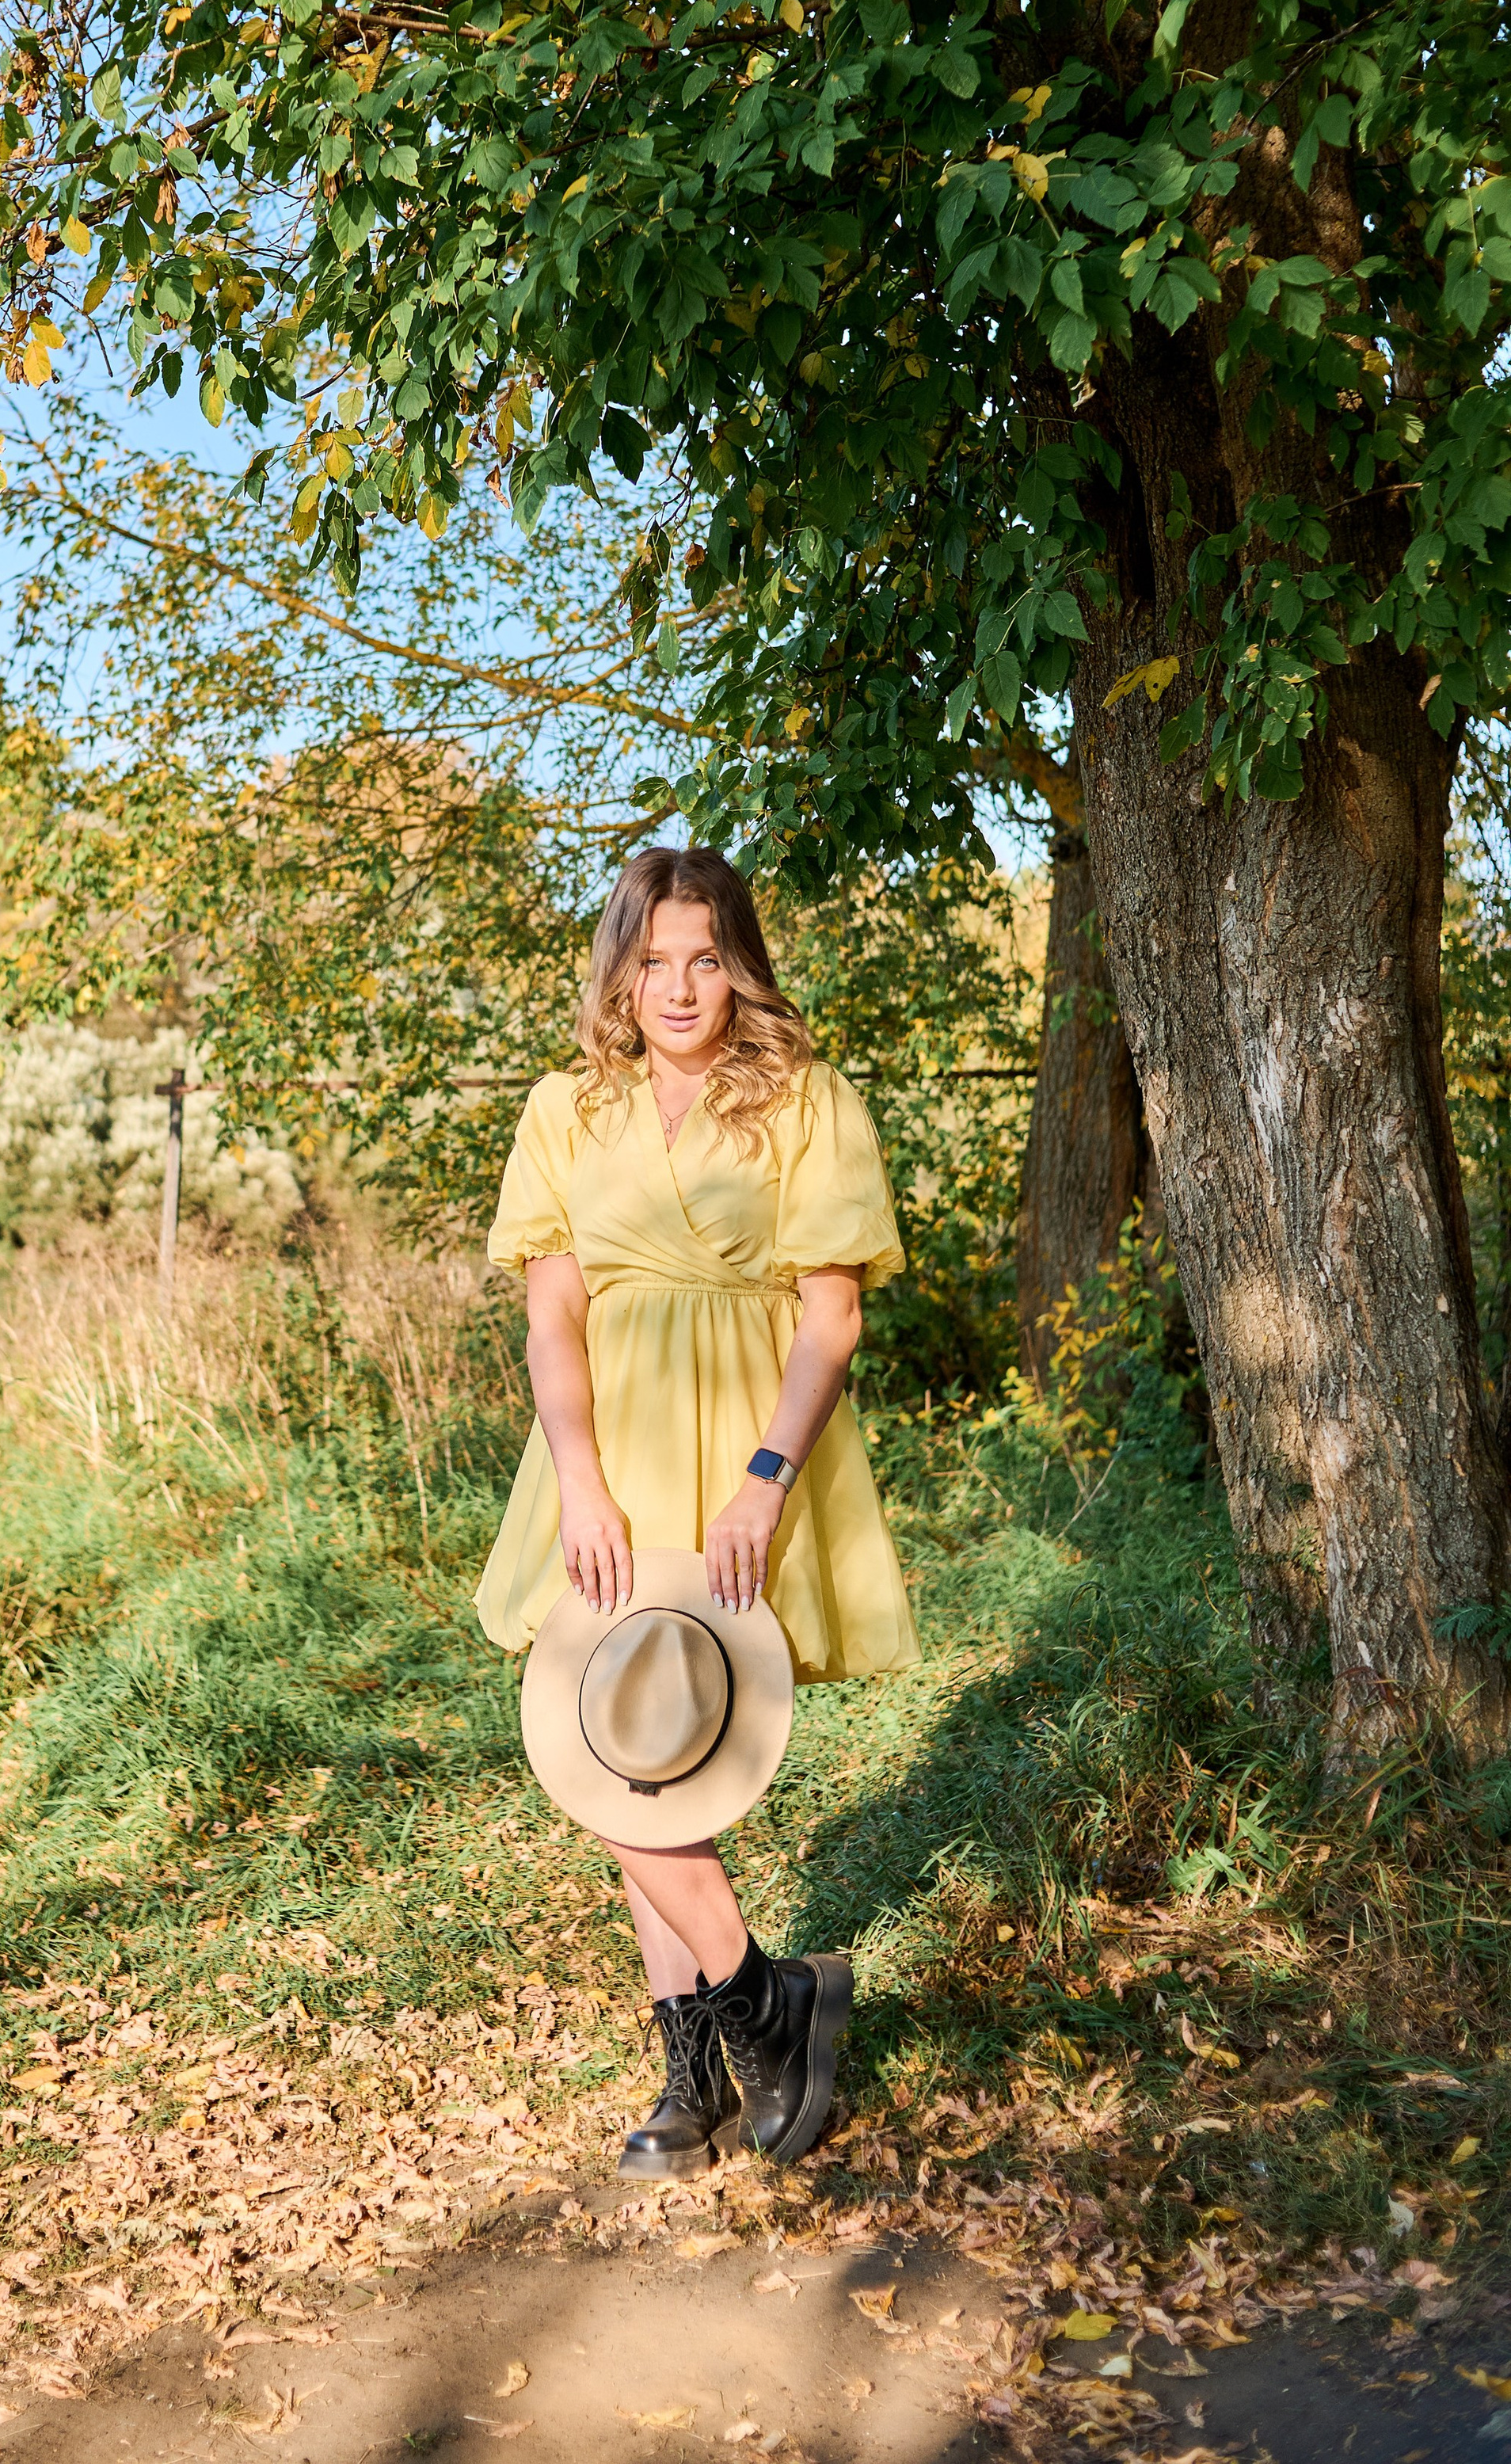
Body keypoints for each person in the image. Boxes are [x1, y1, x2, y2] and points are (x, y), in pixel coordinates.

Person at [475, 845, 918, 2176]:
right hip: (605, 1450)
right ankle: (748, 2021)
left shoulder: (806, 1101)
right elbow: (555, 1313)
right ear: (621, 970)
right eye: (653, 959)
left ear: (740, 965)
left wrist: (767, 1483)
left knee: (677, 1749)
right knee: (612, 1751)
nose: (678, 986)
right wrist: (578, 1476)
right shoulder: (567, 1107)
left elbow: (830, 1319)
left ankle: (718, 2054)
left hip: (745, 1446)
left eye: (705, 957)